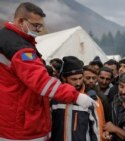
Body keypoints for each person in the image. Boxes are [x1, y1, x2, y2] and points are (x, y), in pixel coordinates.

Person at [0, 2, 94, 140]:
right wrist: (76, 96)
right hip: (22, 125)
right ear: (20, 21)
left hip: (9, 116)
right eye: (36, 25)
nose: (38, 30)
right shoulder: (19, 49)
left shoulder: (5, 38)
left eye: (41, 26)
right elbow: (41, 82)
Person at [51, 56, 99, 141]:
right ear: (64, 78)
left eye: (80, 78)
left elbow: (95, 129)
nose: (78, 82)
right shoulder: (54, 98)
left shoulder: (88, 98)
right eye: (73, 79)